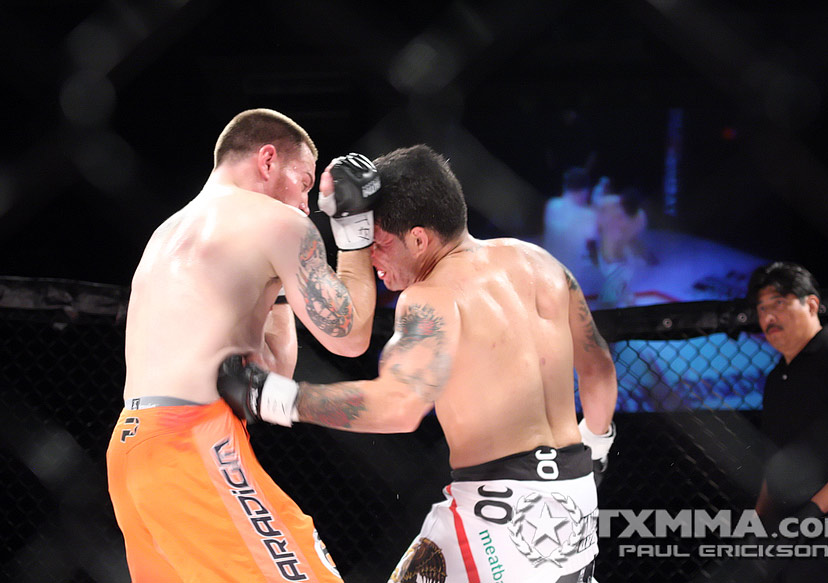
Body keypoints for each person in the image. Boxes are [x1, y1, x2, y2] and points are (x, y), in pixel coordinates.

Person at [219, 144, 619, 582]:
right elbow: (598, 368)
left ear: (419, 239)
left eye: (379, 243)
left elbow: (399, 407)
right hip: (576, 503)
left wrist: (273, 397)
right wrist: (596, 446)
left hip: (496, 514)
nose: (372, 258)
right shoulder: (540, 263)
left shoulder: (431, 296)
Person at [106, 108, 379, 582]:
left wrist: (279, 290)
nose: (307, 204)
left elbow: (272, 370)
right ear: (268, 160)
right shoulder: (279, 221)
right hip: (193, 440)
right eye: (304, 182)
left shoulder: (167, 233)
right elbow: (349, 336)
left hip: (130, 448)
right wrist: (355, 230)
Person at [747, 261, 828, 582]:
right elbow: (776, 460)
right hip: (792, 525)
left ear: (812, 304)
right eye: (762, 308)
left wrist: (814, 511)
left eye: (779, 303)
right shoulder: (777, 378)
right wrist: (757, 525)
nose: (769, 316)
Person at [542, 165, 599, 282]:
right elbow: (594, 246)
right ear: (585, 191)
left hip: (548, 274)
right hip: (573, 279)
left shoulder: (552, 205)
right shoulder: (588, 215)